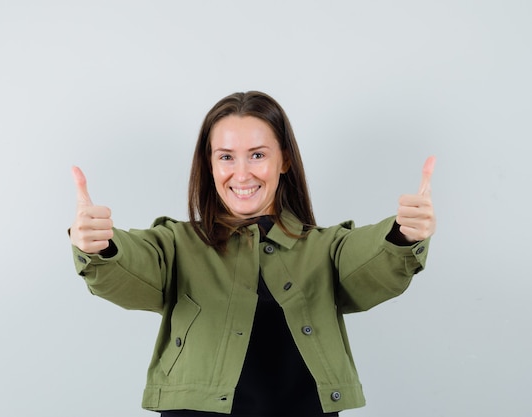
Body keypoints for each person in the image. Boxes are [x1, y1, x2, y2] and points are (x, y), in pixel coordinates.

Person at [69, 91, 436, 417]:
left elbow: (369, 257)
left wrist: (403, 236)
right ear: (210, 165)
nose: (241, 174)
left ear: (284, 161)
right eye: (226, 157)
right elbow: (134, 262)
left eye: (257, 155)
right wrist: (99, 246)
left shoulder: (325, 247)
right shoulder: (176, 243)